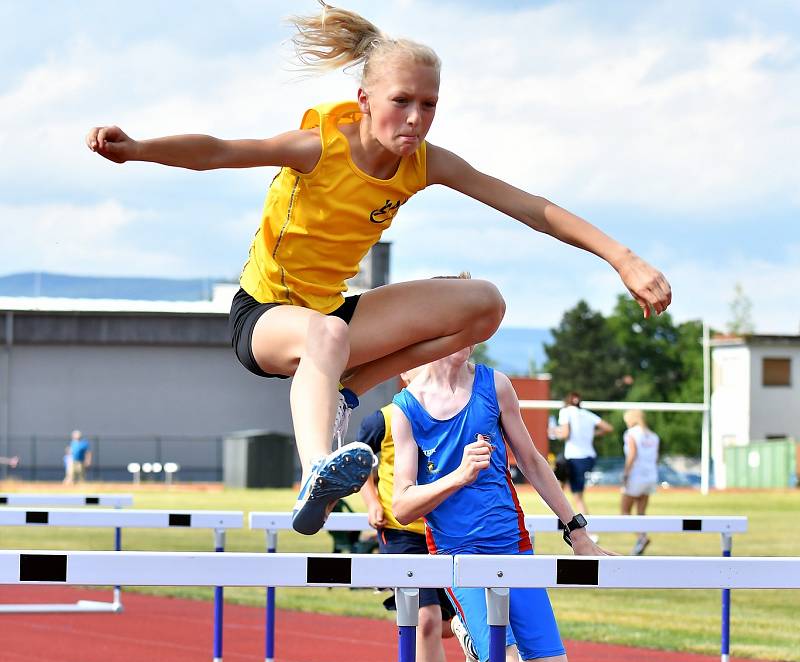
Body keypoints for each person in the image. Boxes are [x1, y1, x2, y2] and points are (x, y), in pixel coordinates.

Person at [85, 1, 671, 536]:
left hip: (336, 313)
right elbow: (217, 151)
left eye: (430, 105)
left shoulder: (424, 164)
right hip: (263, 317)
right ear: (365, 101)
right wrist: (137, 148)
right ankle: (317, 469)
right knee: (326, 332)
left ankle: (345, 392)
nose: (416, 119)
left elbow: (528, 206)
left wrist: (622, 257)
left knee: (484, 304)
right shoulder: (319, 146)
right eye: (402, 102)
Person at [392, 347, 613, 662]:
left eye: (476, 325)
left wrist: (578, 531)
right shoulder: (406, 408)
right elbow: (402, 506)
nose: (470, 336)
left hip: (512, 546)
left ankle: (466, 629)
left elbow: (532, 461)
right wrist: (459, 476)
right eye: (460, 323)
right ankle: (474, 630)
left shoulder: (494, 385)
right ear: (437, 330)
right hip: (457, 555)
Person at [358, 399, 456, 662]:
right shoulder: (382, 420)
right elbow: (356, 465)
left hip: (443, 532)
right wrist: (372, 502)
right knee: (426, 619)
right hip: (400, 532)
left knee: (446, 626)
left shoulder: (453, 413)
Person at [555, 392, 613, 517]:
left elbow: (565, 434)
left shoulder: (565, 412)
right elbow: (608, 428)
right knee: (564, 480)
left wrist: (556, 433)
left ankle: (586, 528)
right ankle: (553, 496)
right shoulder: (587, 414)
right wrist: (592, 434)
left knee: (578, 497)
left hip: (575, 457)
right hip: (589, 458)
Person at [621, 409, 660, 556]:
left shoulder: (631, 433)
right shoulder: (653, 436)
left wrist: (625, 474)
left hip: (636, 476)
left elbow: (632, 454)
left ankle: (641, 538)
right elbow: (655, 458)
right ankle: (640, 542)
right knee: (641, 512)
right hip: (650, 476)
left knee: (624, 512)